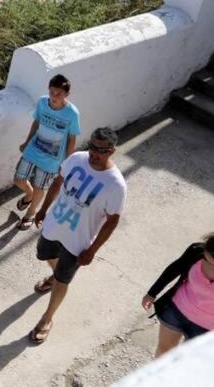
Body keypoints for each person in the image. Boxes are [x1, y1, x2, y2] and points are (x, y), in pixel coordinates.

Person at [28, 127, 126, 344]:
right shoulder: (77, 159)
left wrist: (92, 250)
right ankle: (55, 276)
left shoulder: (116, 185)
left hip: (78, 242)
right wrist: (43, 209)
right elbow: (57, 182)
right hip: (54, 225)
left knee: (64, 279)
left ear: (111, 151)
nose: (93, 153)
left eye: (100, 150)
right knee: (44, 255)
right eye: (91, 146)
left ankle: (47, 318)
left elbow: (112, 221)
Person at [142, 231, 214, 356]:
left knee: (188, 361)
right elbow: (174, 268)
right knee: (164, 351)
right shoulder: (197, 251)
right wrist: (152, 293)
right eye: (205, 259)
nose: (208, 265)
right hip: (176, 311)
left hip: (207, 328)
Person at [13, 74, 81, 230]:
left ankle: (30, 214)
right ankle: (29, 195)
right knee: (18, 179)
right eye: (51, 92)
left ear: (66, 94)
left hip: (52, 159)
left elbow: (72, 139)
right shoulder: (43, 103)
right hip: (33, 149)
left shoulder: (72, 113)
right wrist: (27, 142)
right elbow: (36, 122)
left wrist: (68, 162)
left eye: (58, 94)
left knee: (40, 187)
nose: (54, 97)